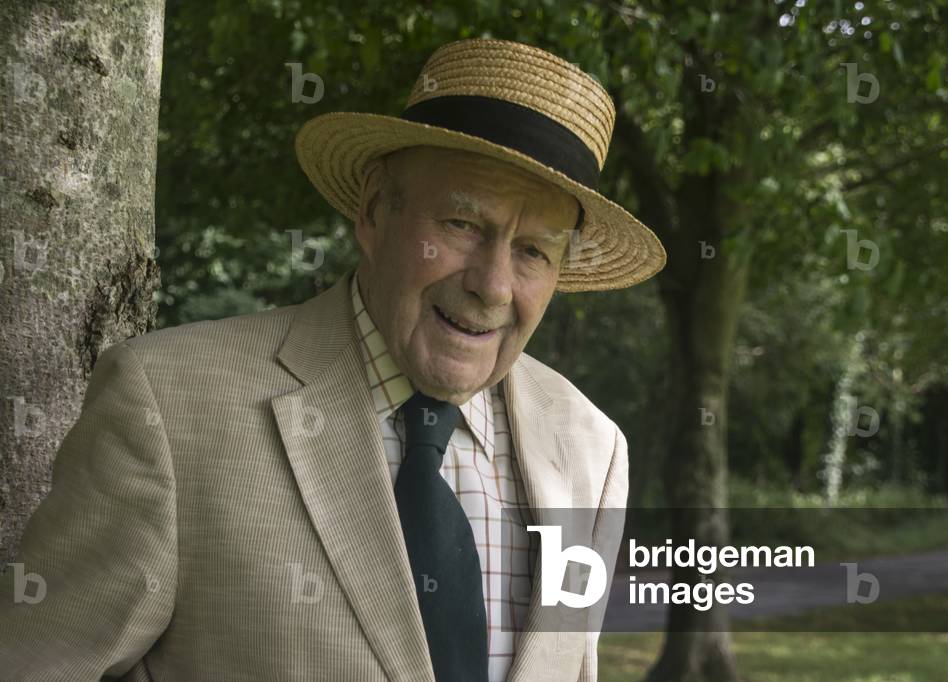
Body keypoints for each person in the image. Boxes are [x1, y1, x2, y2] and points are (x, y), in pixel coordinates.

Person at [0, 37, 665, 681]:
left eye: (533, 252)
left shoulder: (590, 450)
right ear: (375, 210)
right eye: (462, 225)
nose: (492, 286)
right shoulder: (167, 403)